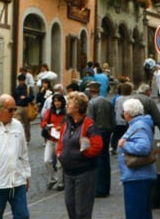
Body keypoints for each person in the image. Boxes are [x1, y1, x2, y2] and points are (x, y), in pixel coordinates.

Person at [57, 91, 103, 219]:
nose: (66, 106)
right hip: (68, 172)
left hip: (84, 172)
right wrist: (60, 154)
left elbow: (97, 146)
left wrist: (83, 154)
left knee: (82, 210)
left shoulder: (89, 124)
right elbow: (61, 141)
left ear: (77, 108)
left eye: (69, 104)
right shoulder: (67, 123)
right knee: (70, 205)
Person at [117, 98, 157, 219]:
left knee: (136, 213)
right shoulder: (140, 124)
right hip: (137, 176)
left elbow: (144, 147)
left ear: (128, 113)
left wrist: (125, 145)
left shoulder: (139, 126)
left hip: (137, 176)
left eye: (124, 111)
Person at [87, 81, 114, 197]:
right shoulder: (107, 102)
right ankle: (105, 186)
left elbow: (90, 120)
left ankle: (99, 188)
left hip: (97, 132)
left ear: (90, 91)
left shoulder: (91, 103)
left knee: (98, 160)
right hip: (107, 131)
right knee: (105, 159)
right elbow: (113, 119)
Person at [40, 92, 66, 190]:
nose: (57, 103)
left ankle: (61, 182)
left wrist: (61, 128)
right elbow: (44, 122)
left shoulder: (66, 112)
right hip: (51, 138)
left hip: (61, 140)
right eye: (55, 101)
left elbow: (68, 124)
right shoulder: (50, 111)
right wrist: (47, 126)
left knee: (60, 163)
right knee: (47, 160)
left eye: (59, 101)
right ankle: (53, 178)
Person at [111, 81, 133, 153]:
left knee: (116, 134)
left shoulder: (118, 99)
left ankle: (114, 147)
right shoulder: (131, 99)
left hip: (118, 120)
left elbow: (115, 108)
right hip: (128, 120)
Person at [12, 73, 35, 143]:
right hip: (18, 107)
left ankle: (27, 138)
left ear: (24, 80)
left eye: (22, 80)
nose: (21, 82)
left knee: (26, 124)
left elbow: (32, 97)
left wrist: (26, 98)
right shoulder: (16, 88)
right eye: (20, 81)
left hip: (26, 107)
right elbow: (14, 97)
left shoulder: (28, 88)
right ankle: (17, 137)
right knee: (17, 122)